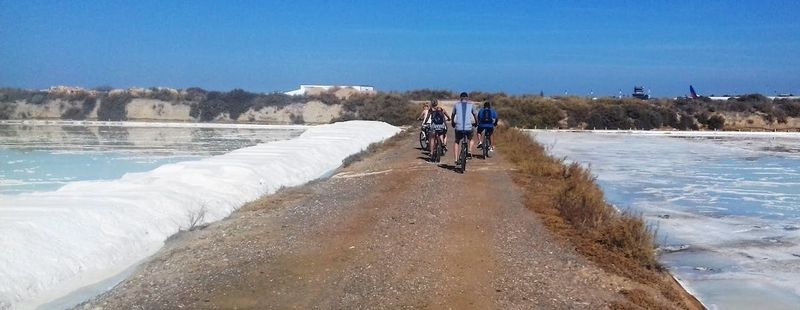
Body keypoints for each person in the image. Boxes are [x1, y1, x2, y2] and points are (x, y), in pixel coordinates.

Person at [451, 92, 477, 166]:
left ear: (460, 98)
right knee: (471, 138)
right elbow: (475, 115)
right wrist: (476, 123)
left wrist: (453, 122)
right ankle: (469, 150)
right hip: (469, 127)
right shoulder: (471, 104)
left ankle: (456, 159)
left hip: (458, 127)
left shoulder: (456, 104)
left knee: (457, 141)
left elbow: (453, 115)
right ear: (467, 98)